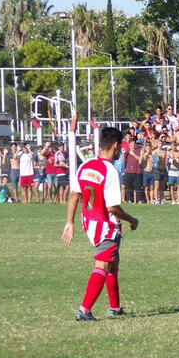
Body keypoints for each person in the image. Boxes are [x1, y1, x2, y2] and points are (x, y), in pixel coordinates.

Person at [62, 127, 139, 322]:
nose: (121, 150)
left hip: (89, 223)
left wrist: (69, 223)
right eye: (120, 146)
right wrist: (131, 219)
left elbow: (74, 195)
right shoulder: (110, 171)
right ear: (115, 145)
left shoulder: (85, 166)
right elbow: (112, 207)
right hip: (106, 225)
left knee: (113, 263)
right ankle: (84, 310)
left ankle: (115, 307)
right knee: (103, 264)